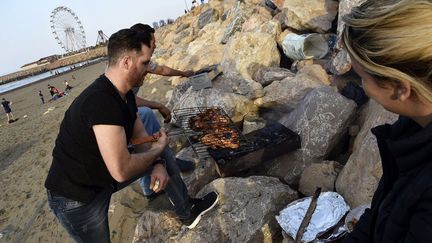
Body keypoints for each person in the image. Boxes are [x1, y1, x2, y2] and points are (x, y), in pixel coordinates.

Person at [45, 28, 219, 242]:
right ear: (126, 62)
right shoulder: (101, 102)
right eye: (145, 63)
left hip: (103, 174)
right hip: (76, 196)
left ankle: (187, 211)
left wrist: (157, 162)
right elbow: (122, 170)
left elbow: (140, 139)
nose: (149, 69)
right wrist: (156, 150)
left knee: (162, 156)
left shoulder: (124, 94)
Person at [341, 1, 432, 242]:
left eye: (362, 77)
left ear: (401, 88)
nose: (363, 87)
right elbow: (387, 213)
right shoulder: (415, 126)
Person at [130, 23, 196, 198]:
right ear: (142, 44)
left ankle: (169, 160)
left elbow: (161, 69)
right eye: (153, 41)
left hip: (129, 110)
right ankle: (151, 188)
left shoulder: (143, 61)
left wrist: (183, 73)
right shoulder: (129, 66)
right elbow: (126, 100)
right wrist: (158, 105)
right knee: (141, 137)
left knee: (147, 116)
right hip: (117, 121)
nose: (156, 44)